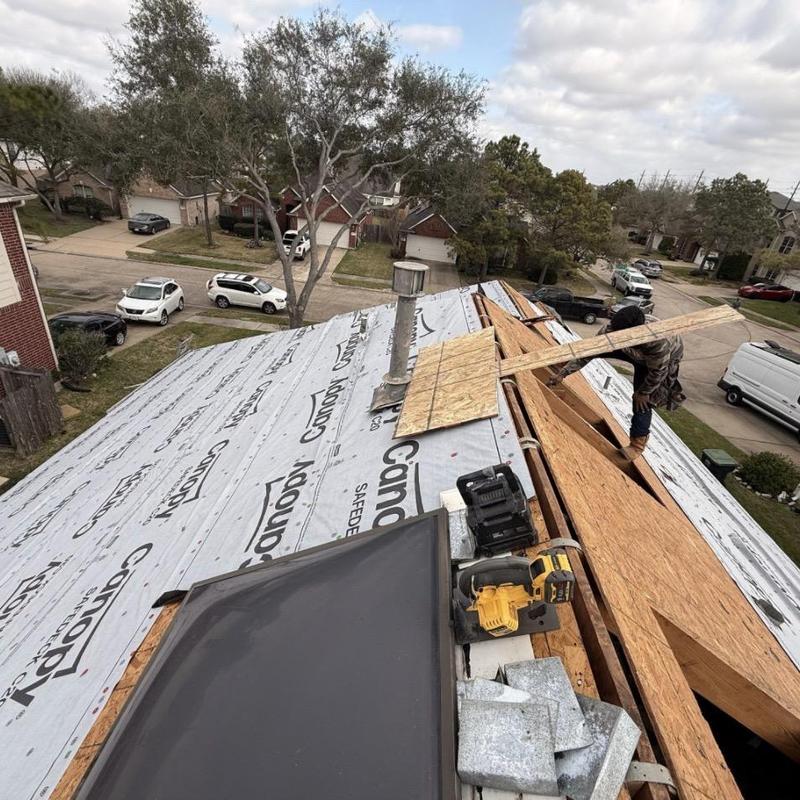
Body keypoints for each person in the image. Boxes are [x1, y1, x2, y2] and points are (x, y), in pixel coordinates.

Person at [547, 304, 685, 460]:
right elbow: (589, 351)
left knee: (642, 401)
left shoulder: (657, 342)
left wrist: (643, 392)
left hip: (655, 360)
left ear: (634, 331)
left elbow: (658, 372)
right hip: (630, 347)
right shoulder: (612, 330)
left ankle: (637, 444)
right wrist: (563, 373)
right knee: (590, 351)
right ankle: (559, 367)